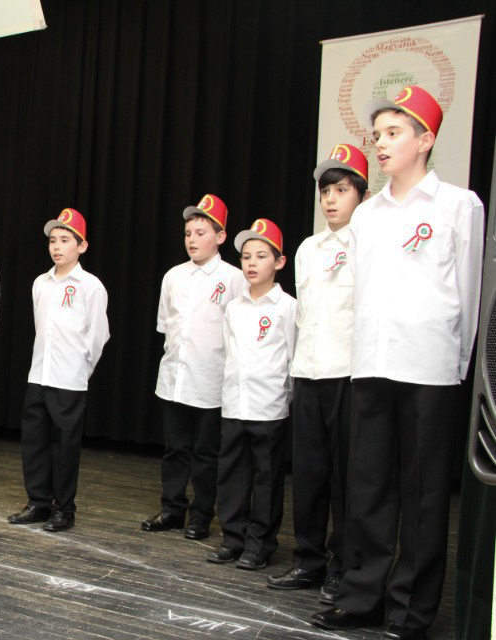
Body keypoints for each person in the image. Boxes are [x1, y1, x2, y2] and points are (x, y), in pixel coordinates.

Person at [311, 86, 485, 640]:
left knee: (424, 492)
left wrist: (457, 364)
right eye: (378, 135)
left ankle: (411, 610)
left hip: (429, 367)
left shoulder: (458, 205)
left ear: (425, 139)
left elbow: (469, 292)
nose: (381, 144)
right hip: (371, 364)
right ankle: (362, 596)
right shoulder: (367, 215)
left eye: (393, 133)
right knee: (368, 487)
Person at [267, 144, 368, 602]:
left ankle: (344, 566)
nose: (330, 199)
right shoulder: (308, 248)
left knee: (346, 479)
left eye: (341, 190)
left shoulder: (368, 244)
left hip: (349, 374)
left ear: (361, 195)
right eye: (325, 191)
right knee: (308, 475)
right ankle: (309, 561)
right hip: (308, 371)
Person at [144, 194, 245, 539]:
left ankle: (202, 515)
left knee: (206, 453)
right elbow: (166, 326)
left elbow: (238, 330)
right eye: (188, 233)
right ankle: (172, 509)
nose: (192, 240)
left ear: (220, 236)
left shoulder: (233, 278)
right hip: (175, 377)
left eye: (201, 233)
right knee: (175, 450)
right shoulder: (174, 276)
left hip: (211, 379)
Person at [6, 208, 109, 532]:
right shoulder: (41, 283)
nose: (57, 246)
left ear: (82, 246)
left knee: (64, 447)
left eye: (65, 240)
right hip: (39, 374)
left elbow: (98, 336)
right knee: (34, 441)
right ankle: (38, 502)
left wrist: (80, 368)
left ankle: (63, 508)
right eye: (53, 240)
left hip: (69, 378)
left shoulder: (90, 286)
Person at [206, 219, 296, 570]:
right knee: (232, 474)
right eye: (246, 257)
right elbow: (230, 354)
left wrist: (283, 397)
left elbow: (292, 358)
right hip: (234, 403)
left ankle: (260, 544)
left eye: (261, 256)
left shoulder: (287, 307)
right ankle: (233, 538)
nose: (252, 263)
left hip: (268, 406)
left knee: (266, 478)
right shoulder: (234, 307)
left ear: (279, 261)